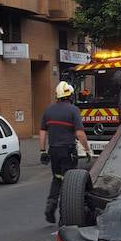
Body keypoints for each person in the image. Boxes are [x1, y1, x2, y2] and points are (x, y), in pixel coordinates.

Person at [39, 81, 93, 223]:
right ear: (69, 95)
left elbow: (43, 132)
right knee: (69, 183)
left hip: (54, 151)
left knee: (57, 178)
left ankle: (50, 205)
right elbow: (80, 134)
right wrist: (87, 150)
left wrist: (42, 150)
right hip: (68, 152)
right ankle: (64, 216)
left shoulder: (48, 110)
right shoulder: (73, 110)